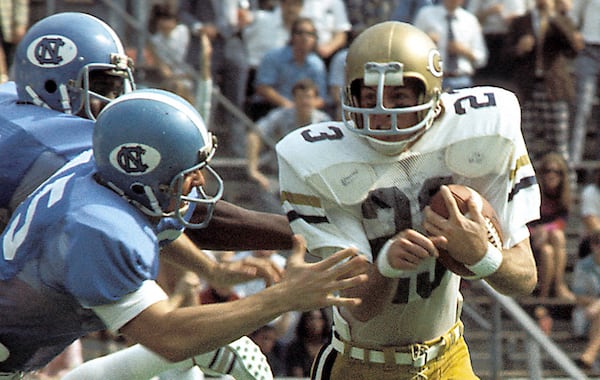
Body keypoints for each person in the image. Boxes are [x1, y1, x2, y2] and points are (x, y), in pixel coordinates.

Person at [0, 88, 368, 379]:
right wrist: (283, 298)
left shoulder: (108, 178)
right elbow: (167, 336)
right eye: (189, 171)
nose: (200, 181)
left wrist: (214, 270)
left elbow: (184, 222)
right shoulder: (97, 227)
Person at [276, 21, 539, 379]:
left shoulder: (483, 126)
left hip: (449, 356)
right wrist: (385, 266)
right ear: (351, 95)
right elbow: (361, 307)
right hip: (363, 365)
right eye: (371, 98)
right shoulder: (315, 160)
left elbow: (524, 279)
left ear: (430, 94)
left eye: (398, 98)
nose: (383, 113)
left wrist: (483, 254)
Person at [503, 0, 583, 162]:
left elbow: (573, 49)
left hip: (554, 88)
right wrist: (519, 48)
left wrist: (554, 18)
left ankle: (567, 182)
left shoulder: (563, 21)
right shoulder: (521, 22)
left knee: (559, 143)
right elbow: (504, 55)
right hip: (528, 88)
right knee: (526, 142)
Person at [247, 78, 331, 211]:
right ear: (294, 99)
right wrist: (253, 169)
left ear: (316, 100)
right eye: (300, 97)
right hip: (277, 176)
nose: (304, 102)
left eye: (308, 97)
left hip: (309, 181)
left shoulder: (324, 122)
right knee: (263, 191)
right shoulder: (281, 115)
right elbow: (255, 134)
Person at [250, 17, 329, 121]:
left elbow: (321, 98)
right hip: (272, 108)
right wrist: (287, 106)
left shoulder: (317, 65)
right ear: (292, 36)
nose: (305, 37)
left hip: (303, 111)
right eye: (300, 33)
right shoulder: (273, 57)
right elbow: (263, 88)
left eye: (310, 34)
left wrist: (301, 107)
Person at [528, 152, 574, 300]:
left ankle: (556, 287)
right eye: (548, 171)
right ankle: (545, 294)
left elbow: (561, 222)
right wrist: (536, 232)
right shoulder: (533, 193)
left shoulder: (563, 195)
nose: (552, 175)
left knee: (555, 239)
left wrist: (545, 230)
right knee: (547, 250)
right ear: (542, 173)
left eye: (557, 172)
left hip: (550, 238)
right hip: (531, 238)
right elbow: (523, 220)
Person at [413, 0, 488, 91]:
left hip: (462, 80)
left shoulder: (470, 20)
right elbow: (413, 48)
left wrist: (465, 51)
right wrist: (427, 41)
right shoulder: (426, 15)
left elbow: (482, 58)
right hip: (434, 79)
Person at [466, 0, 529, 87]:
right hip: (485, 37)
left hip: (506, 38)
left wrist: (509, 18)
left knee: (504, 80)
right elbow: (468, 17)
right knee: (484, 80)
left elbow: (522, 17)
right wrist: (488, 12)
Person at [568, 0, 600, 165]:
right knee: (582, 107)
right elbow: (573, 16)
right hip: (589, 49)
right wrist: (575, 33)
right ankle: (573, 162)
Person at [146, 3, 194, 103]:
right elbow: (163, 69)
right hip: (172, 80)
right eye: (162, 20)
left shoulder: (184, 32)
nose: (165, 24)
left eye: (168, 19)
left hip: (191, 77)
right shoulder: (154, 41)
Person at [571, 229, 600, 371]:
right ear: (593, 246)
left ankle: (590, 354)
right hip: (586, 314)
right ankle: (590, 355)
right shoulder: (583, 266)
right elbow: (579, 297)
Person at [284, 308, 331, 377]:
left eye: (319, 319)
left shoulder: (330, 347)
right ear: (305, 322)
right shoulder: (296, 348)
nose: (315, 323)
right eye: (312, 319)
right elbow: (297, 375)